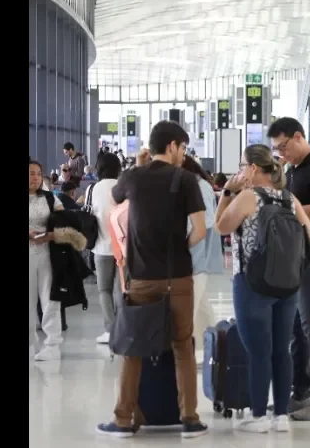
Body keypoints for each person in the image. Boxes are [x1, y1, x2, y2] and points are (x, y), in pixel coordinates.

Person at [96, 120, 208, 439]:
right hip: (178, 279)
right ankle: (189, 419)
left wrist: (139, 167)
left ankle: (122, 419)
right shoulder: (185, 180)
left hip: (141, 280)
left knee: (134, 349)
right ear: (172, 146)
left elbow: (118, 203)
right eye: (182, 148)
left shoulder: (132, 177)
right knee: (183, 346)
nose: (183, 154)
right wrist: (177, 248)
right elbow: (199, 231)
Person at [215, 144, 310, 433]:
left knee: (258, 351)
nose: (241, 170)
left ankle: (258, 416)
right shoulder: (288, 198)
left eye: (243, 165)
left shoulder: (248, 196)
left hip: (252, 282)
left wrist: (227, 193)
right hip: (287, 283)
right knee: (281, 350)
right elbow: (309, 232)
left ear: (254, 169)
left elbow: (221, 227)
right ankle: (280, 415)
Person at [268, 117, 310, 421]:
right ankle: (300, 392)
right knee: (297, 329)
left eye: (283, 146)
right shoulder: (294, 169)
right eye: (276, 150)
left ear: (298, 137)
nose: (282, 153)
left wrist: (284, 206)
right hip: (294, 257)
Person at [181, 156, 225, 350]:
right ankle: (217, 348)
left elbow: (204, 224)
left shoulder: (199, 188)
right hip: (196, 256)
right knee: (201, 308)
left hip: (196, 256)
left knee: (188, 309)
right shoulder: (199, 186)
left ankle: (192, 351)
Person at [29, 160, 65, 361]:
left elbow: (64, 222)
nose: (34, 177)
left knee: (49, 299)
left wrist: (52, 234)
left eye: (37, 173)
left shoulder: (51, 199)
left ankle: (52, 344)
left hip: (47, 255)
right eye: (30, 173)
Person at [85, 152, 122, 345]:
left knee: (104, 290)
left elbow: (88, 212)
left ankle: (110, 330)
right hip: (122, 248)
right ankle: (123, 329)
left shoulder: (93, 189)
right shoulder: (122, 187)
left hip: (100, 246)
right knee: (120, 290)